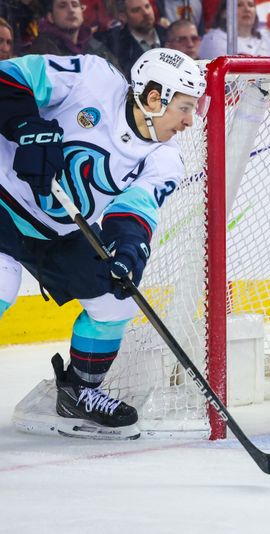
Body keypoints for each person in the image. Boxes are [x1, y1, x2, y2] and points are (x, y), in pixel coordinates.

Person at [0, 48, 206, 439]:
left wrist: (128, 252)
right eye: (184, 108)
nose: (189, 121)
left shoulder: (166, 158)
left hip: (59, 231)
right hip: (2, 199)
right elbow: (8, 75)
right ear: (153, 98)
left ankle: (78, 392)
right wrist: (26, 126)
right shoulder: (91, 79)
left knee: (117, 298)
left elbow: (134, 210)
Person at [28, 0, 118, 67]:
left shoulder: (96, 47)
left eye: (75, 5)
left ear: (82, 12)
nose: (71, 10)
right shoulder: (41, 51)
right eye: (62, 6)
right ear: (50, 17)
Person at [95, 0, 167, 78]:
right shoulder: (116, 47)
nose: (146, 13)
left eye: (147, 6)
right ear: (123, 17)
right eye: (136, 10)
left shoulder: (169, 35)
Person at [198, 0, 270, 59]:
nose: (247, 9)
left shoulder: (268, 39)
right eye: (239, 5)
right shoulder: (212, 39)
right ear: (224, 13)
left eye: (250, 5)